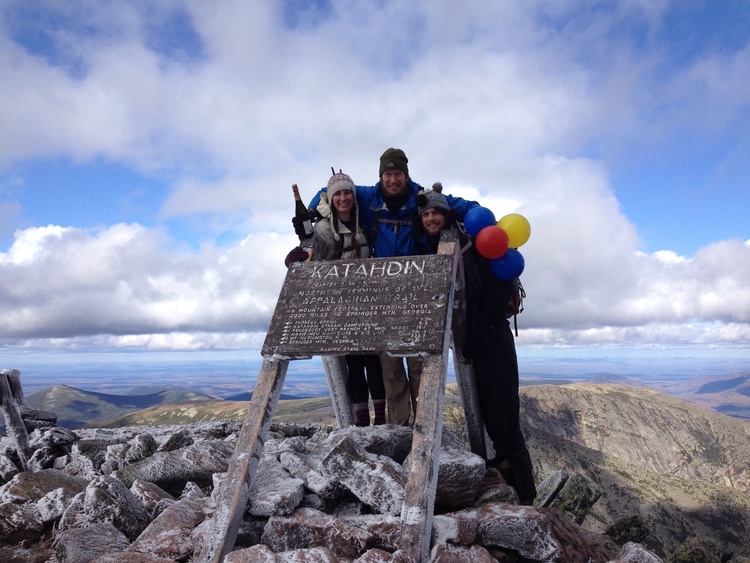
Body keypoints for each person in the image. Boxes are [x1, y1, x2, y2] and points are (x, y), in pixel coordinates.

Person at [299, 149, 480, 425]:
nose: (393, 179)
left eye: (398, 174)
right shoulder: (368, 196)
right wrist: (314, 211)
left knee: (419, 366)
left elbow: (454, 204)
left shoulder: (419, 197)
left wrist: (479, 213)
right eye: (388, 174)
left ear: (406, 176)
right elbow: (330, 192)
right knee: (391, 371)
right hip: (382, 299)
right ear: (380, 176)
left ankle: (425, 428)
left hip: (416, 296)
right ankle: (398, 430)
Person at [413, 188, 537, 505]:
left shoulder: (469, 243)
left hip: (493, 338)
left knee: (504, 413)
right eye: (426, 215)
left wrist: (480, 328)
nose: (431, 218)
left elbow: (499, 284)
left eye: (435, 213)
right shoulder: (431, 248)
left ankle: (526, 498)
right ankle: (504, 484)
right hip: (471, 342)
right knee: (486, 412)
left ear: (446, 215)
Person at [286, 172, 386, 426]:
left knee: (374, 362)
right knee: (354, 364)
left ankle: (382, 420)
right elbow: (310, 254)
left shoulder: (366, 220)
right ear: (330, 199)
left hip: (369, 302)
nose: (343, 198)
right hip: (340, 308)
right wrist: (295, 259)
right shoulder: (322, 229)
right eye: (338, 194)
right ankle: (362, 421)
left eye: (347, 192)